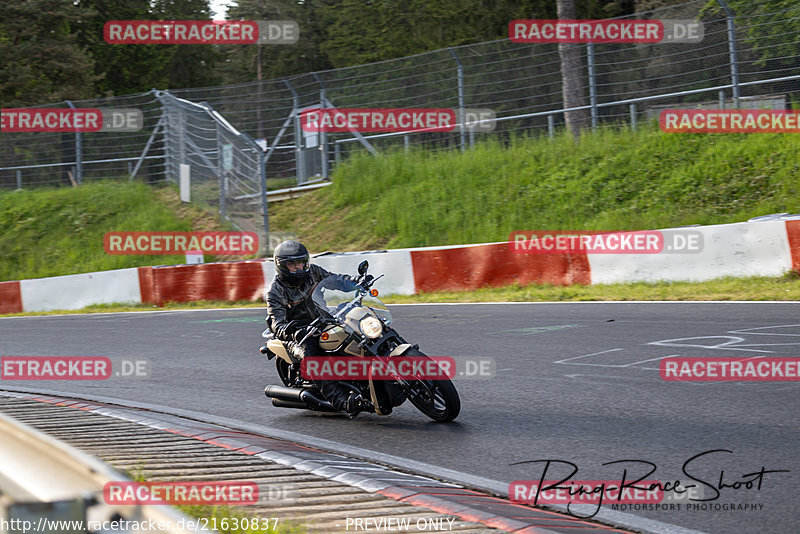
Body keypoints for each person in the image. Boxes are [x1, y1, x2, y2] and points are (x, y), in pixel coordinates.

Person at [265, 240, 373, 417]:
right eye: (292, 264)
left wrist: (356, 281)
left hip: (324, 320)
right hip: (300, 335)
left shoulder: (313, 272)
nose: (299, 267)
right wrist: (293, 331)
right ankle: (342, 401)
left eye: (301, 262)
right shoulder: (275, 291)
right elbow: (277, 323)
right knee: (313, 360)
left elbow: (335, 280)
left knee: (361, 329)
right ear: (281, 266)